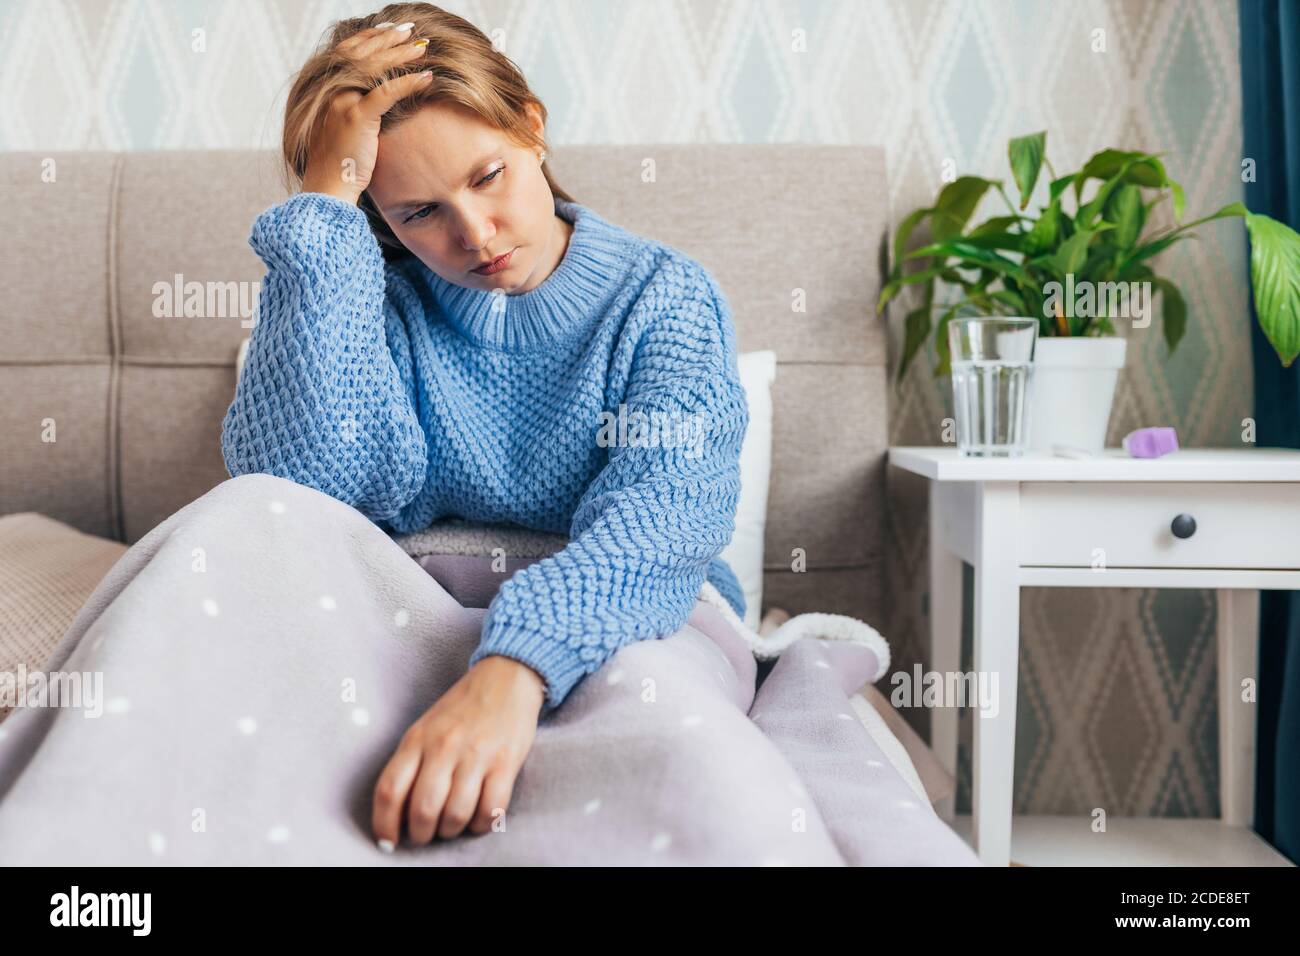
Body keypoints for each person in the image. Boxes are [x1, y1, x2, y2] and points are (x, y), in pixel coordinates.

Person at [220, 4, 749, 851]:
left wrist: (516, 666)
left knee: (663, 739)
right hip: (417, 604)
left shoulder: (665, 300)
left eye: (488, 175)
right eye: (417, 213)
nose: (473, 234)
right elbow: (293, 494)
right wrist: (322, 211)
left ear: (532, 129)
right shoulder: (370, 298)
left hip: (631, 602)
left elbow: (666, 516)